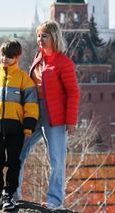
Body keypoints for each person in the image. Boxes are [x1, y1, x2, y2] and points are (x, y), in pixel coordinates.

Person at [16, 20, 80, 210]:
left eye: (44, 36)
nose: (40, 40)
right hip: (34, 112)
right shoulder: (38, 57)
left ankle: (55, 202)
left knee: (57, 159)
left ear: (54, 37)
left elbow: (73, 92)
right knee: (18, 152)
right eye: (38, 36)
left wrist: (71, 120)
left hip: (56, 117)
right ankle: (13, 195)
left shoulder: (63, 62)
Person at [0, 40, 39, 211]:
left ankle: (9, 196)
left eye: (9, 56)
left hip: (16, 130)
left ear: (17, 57)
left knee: (14, 162)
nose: (5, 59)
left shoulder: (24, 80)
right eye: (3, 55)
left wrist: (28, 127)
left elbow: (31, 105)